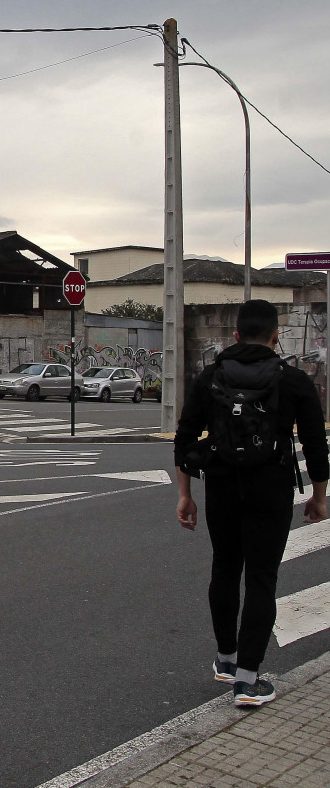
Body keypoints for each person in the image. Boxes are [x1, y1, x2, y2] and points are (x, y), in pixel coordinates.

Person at [174, 299, 328, 707]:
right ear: (276, 336)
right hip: (271, 487)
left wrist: (185, 495)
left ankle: (225, 660)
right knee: (262, 578)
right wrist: (318, 496)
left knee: (225, 568)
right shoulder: (294, 381)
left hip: (222, 485)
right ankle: (248, 680)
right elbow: (315, 443)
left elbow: (185, 437)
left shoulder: (210, 377)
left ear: (236, 334)